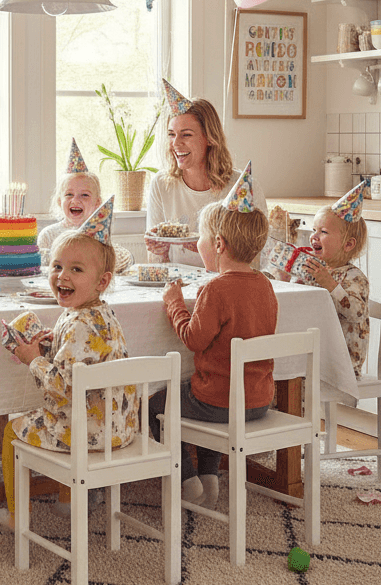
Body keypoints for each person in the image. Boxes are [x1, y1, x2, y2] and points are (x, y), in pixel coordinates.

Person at [0, 199, 133, 532]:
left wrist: (33, 359)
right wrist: (53, 345)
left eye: (76, 269)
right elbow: (87, 360)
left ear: (102, 281)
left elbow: (62, 386)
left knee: (12, 429)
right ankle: (67, 502)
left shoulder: (75, 323)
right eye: (57, 267)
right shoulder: (104, 314)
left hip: (86, 434)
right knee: (62, 413)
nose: (62, 276)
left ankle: (18, 516)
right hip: (119, 430)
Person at [148, 164, 277, 509]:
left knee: (155, 405)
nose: (196, 246)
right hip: (259, 400)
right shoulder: (265, 285)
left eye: (199, 241)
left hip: (220, 403)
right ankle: (210, 474)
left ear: (218, 244)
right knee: (200, 392)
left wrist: (175, 304)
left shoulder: (215, 289)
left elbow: (193, 339)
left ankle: (186, 476)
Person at [144, 79, 235, 269]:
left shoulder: (239, 187)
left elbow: (252, 262)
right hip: (179, 286)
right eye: (171, 134)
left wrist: (206, 248)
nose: (175, 144)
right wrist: (158, 251)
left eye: (186, 135)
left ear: (209, 138)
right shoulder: (161, 184)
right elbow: (158, 265)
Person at [296, 183, 370, 378]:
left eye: (324, 232)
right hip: (316, 351)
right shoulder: (317, 270)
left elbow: (356, 312)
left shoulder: (354, 277)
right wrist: (293, 279)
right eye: (314, 229)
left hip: (342, 359)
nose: (314, 236)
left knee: (292, 370)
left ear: (348, 244)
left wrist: (329, 283)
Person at [38, 139, 132, 272]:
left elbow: (118, 263)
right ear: (59, 201)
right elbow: (42, 270)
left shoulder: (98, 233)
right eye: (69, 194)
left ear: (97, 203)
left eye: (84, 195)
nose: (76, 200)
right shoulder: (48, 235)